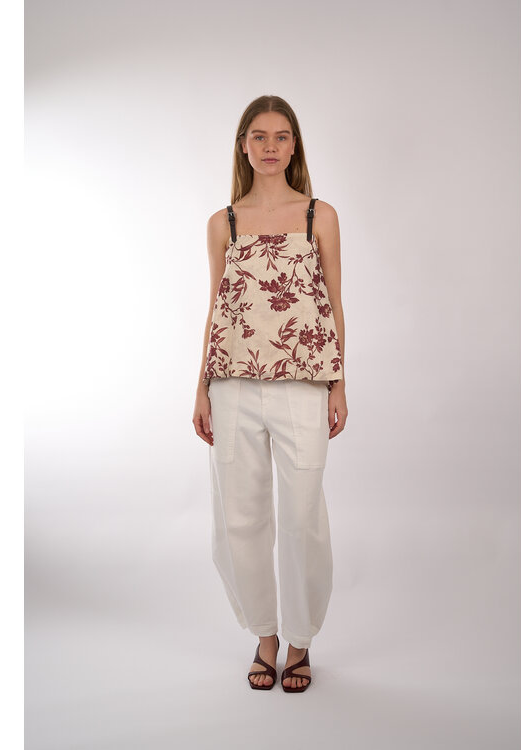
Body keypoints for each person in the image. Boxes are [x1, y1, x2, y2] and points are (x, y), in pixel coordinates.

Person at [192, 95, 347, 692]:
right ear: (243, 146)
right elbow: (217, 310)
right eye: (259, 136)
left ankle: (300, 639)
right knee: (240, 517)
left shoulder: (318, 216)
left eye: (281, 136)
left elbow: (333, 303)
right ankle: (265, 636)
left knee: (303, 516)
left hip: (303, 386)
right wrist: (201, 388)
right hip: (231, 385)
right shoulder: (223, 223)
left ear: (294, 145)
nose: (270, 146)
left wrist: (339, 383)